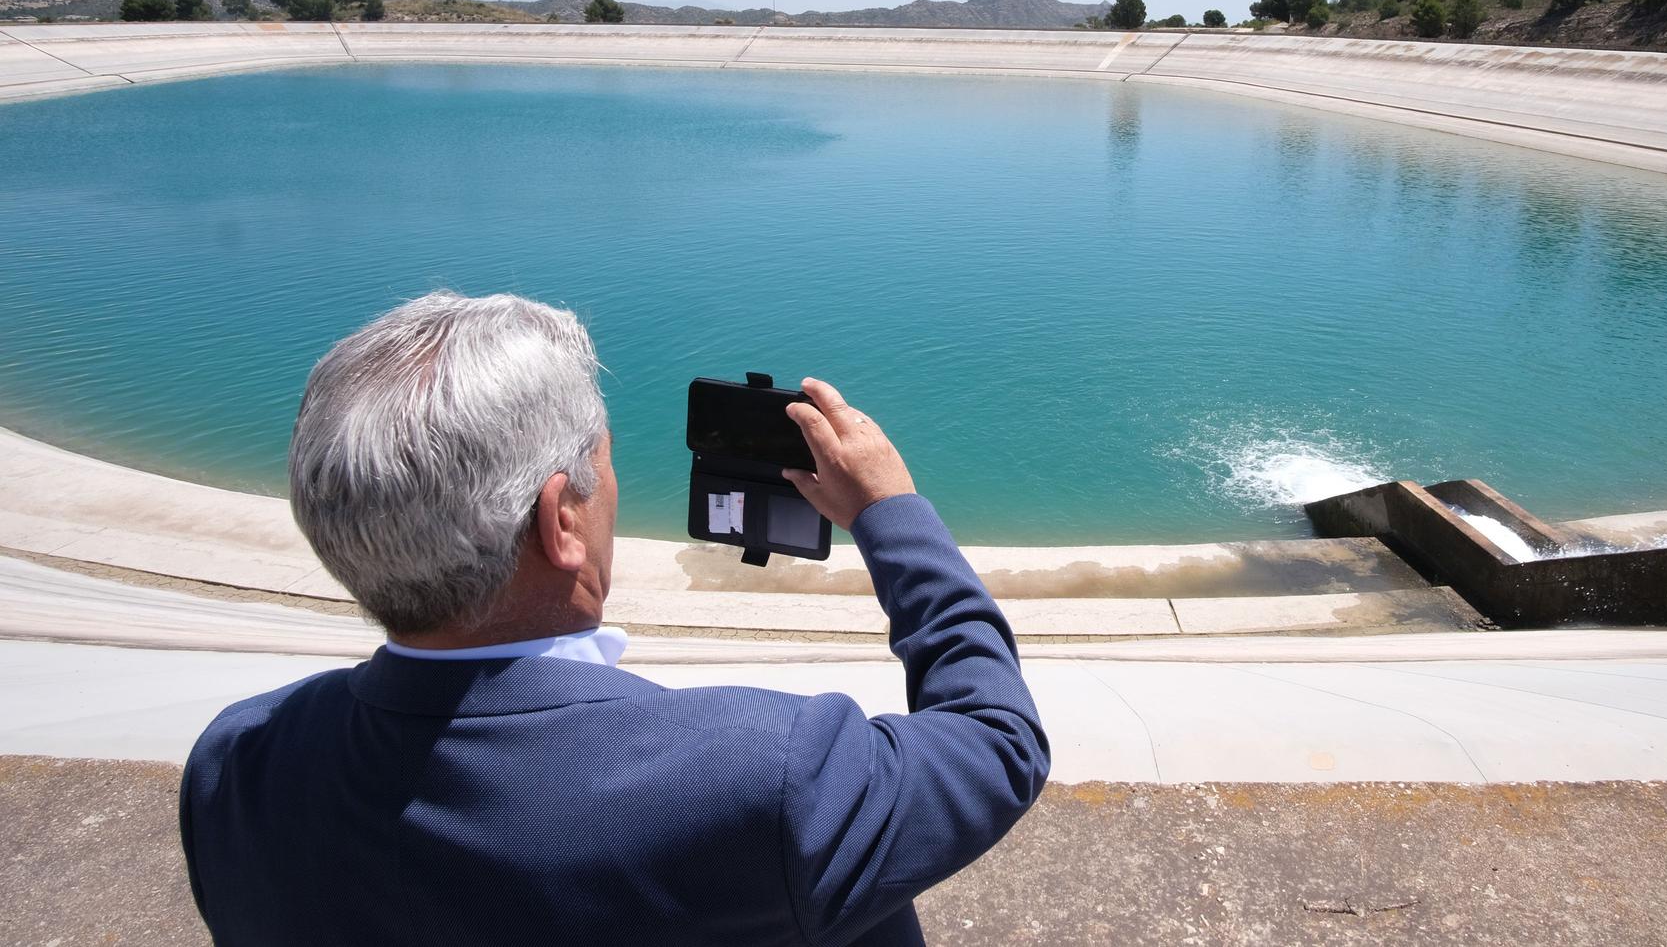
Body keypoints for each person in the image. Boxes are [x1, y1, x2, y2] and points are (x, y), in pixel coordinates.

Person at [179, 292, 1049, 945]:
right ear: (561, 521)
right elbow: (998, 743)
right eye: (602, 461)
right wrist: (891, 511)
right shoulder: (763, 776)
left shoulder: (237, 764)